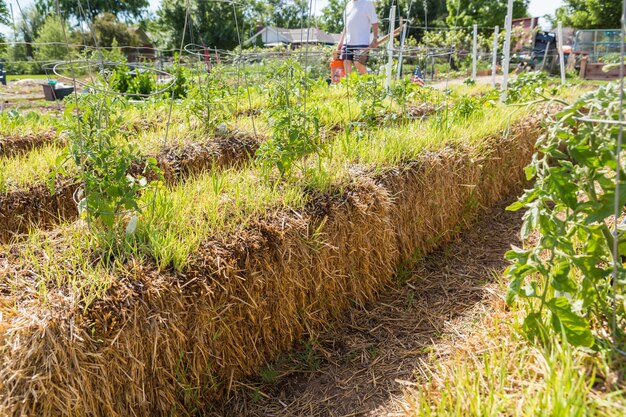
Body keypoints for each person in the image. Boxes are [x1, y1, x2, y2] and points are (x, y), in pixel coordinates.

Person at [336, 0, 379, 76]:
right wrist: (341, 41)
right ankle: (350, 86)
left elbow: (374, 22)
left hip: (361, 42)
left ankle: (369, 83)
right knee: (346, 64)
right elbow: (346, 26)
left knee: (358, 63)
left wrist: (375, 38)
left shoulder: (367, 3)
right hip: (348, 42)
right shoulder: (348, 5)